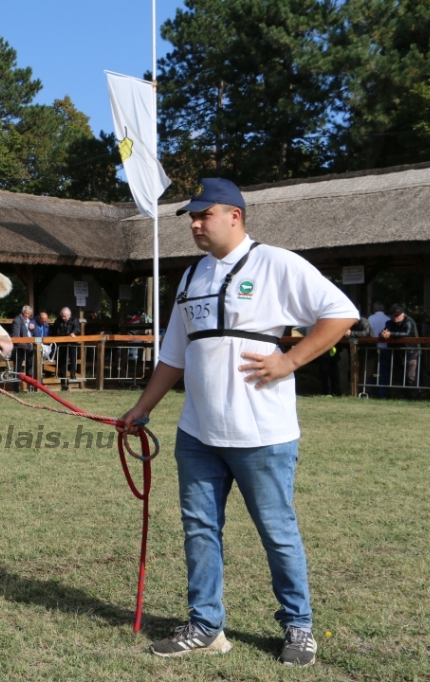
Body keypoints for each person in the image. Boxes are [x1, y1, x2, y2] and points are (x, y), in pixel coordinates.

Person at [117, 178, 357, 667]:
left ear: (235, 216)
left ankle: (299, 625)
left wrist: (289, 361)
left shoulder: (276, 263)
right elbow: (174, 356)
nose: (196, 224)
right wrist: (142, 409)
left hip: (262, 435)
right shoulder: (190, 278)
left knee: (277, 530)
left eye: (205, 215)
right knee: (199, 529)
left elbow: (340, 313)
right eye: (192, 217)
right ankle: (206, 625)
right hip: (197, 433)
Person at [380, 303, 420, 398]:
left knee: (411, 377)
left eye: (397, 316)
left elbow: (407, 333)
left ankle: (414, 397)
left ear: (403, 314)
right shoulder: (389, 323)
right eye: (393, 316)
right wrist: (383, 334)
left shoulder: (409, 322)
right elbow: (384, 332)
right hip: (397, 354)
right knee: (401, 376)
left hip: (411, 353)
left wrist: (391, 335)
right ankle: (405, 396)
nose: (395, 318)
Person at [51, 307, 80, 390]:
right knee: (62, 362)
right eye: (62, 316)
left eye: (65, 316)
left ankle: (73, 375)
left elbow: (77, 328)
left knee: (73, 359)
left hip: (72, 343)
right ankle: (63, 382)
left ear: (69, 315)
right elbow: (55, 330)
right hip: (62, 344)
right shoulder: (58, 321)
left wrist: (73, 333)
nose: (63, 318)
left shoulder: (74, 320)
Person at [367, 302, 391, 398]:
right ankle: (382, 393)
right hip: (385, 347)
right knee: (384, 371)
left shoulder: (371, 318)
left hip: (373, 347)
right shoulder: (388, 319)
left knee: (370, 370)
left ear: (374, 309)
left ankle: (370, 392)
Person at [10, 305, 36, 391]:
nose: (27, 315)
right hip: (19, 348)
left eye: (29, 314)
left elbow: (30, 333)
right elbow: (15, 335)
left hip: (29, 346)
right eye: (26, 313)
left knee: (30, 366)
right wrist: (22, 344)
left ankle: (30, 386)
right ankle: (16, 387)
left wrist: (32, 328)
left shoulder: (29, 321)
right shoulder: (17, 320)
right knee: (18, 368)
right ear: (23, 312)